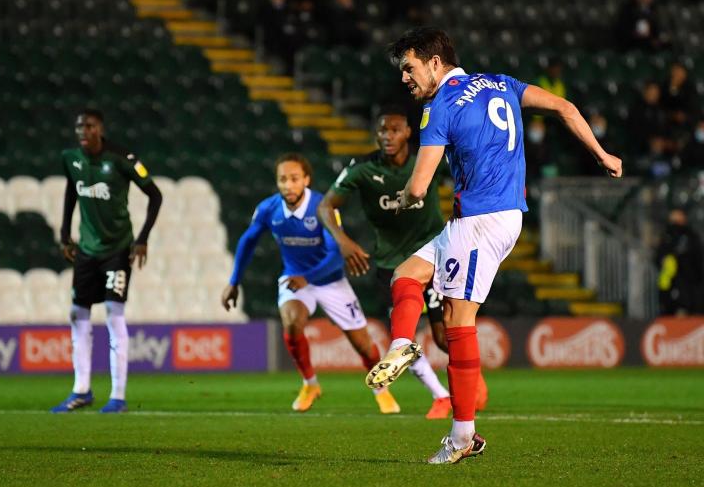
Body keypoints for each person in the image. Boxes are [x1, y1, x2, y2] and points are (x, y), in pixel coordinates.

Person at [366, 27, 622, 464]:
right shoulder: (502, 83)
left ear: (433, 62)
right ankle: (401, 344)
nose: (404, 79)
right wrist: (601, 154)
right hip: (503, 215)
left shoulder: (440, 106)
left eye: (408, 69)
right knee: (407, 273)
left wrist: (404, 199)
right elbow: (564, 106)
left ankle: (463, 435)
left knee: (456, 318)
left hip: (480, 220)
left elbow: (420, 184)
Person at [318, 107, 487, 420]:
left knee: (441, 335)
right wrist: (343, 240)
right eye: (382, 130)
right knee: (402, 335)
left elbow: (468, 173)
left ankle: (471, 378)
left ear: (409, 132)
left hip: (434, 255)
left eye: (394, 129)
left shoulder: (428, 159)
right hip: (390, 263)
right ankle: (440, 396)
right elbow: (326, 205)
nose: (387, 136)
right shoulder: (363, 168)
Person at [221, 153, 399, 414]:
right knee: (292, 321)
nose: (288, 185)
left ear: (306, 180)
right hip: (294, 279)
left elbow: (335, 256)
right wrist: (233, 281)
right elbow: (248, 241)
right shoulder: (268, 208)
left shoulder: (323, 208)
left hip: (330, 280)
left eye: (294, 178)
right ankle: (310, 384)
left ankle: (381, 389)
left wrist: (308, 278)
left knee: (362, 343)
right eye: (282, 179)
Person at [51, 109, 162, 414]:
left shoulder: (122, 158)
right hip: (87, 250)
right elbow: (71, 193)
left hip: (117, 249)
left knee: (114, 315)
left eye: (89, 126)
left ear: (100, 128)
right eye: (79, 127)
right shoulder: (71, 158)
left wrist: (142, 239)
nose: (83, 131)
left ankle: (118, 396)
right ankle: (81, 390)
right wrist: (64, 233)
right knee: (77, 315)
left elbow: (156, 195)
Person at [656, 208, 703, 315]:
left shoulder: (690, 237)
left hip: (687, 287)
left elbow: (698, 261)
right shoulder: (667, 237)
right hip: (671, 285)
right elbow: (659, 258)